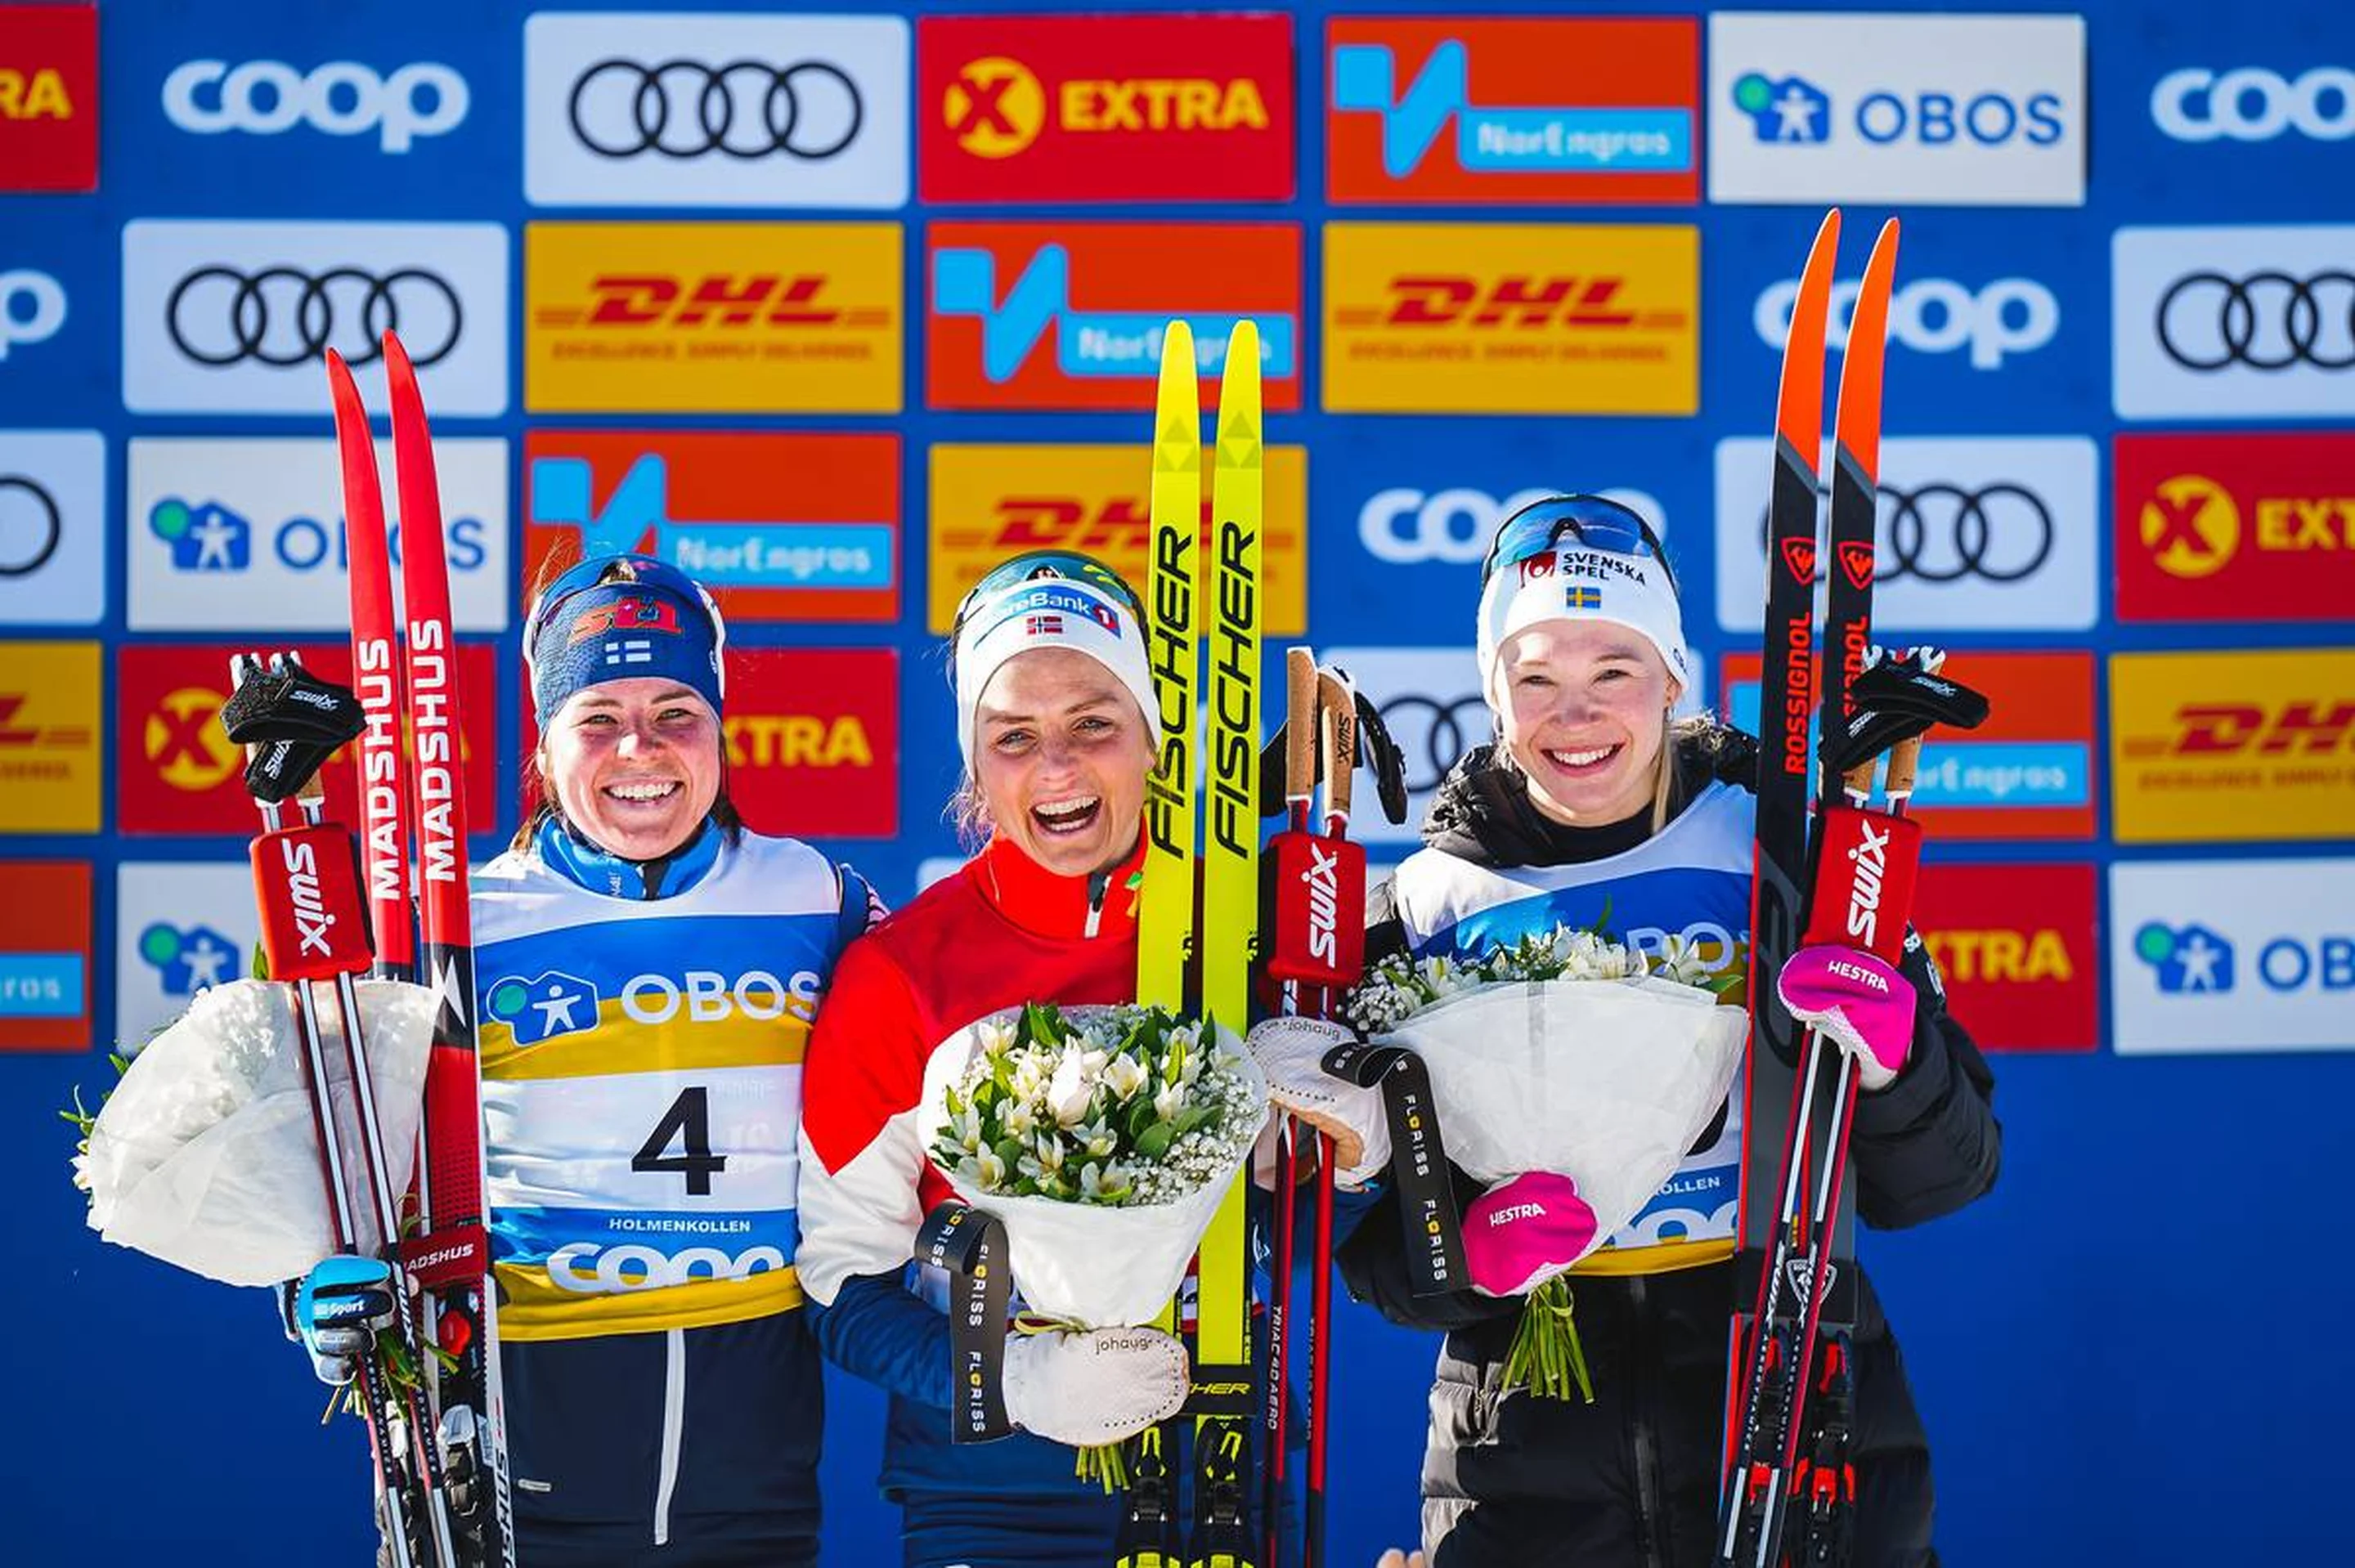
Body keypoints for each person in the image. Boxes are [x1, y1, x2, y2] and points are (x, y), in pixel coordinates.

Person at [1256, 496, 2001, 1567]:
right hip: (1525, 1449)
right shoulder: (1425, 906)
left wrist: (1893, 1058)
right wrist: (1462, 1253)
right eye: (1537, 676)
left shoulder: (1786, 851)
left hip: (1797, 1417)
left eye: (1615, 668)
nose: (1578, 711)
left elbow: (1945, 1176)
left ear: (1673, 675)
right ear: (1494, 692)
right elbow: (1362, 1254)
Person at [287, 553, 881, 1567]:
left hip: (756, 1461)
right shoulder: (462, 923)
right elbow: (348, 1148)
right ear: (546, 740)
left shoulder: (822, 900)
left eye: (676, 711)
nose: (638, 748)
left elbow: (928, 1099)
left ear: (723, 727)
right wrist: (308, 1280)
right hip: (526, 1453)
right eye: (597, 716)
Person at [796, 550, 1272, 1568]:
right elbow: (843, 1282)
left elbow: (1322, 1216)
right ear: (975, 764)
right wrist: (1012, 1378)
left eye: (1095, 723)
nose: (1057, 768)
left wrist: (1349, 1148)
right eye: (1014, 736)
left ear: (1151, 734)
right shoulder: (902, 974)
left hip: (1217, 1468)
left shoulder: (1240, 934)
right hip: (992, 1496)